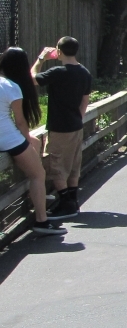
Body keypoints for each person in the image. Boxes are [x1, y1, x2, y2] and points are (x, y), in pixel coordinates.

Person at [0, 48, 65, 235]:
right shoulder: (12, 87)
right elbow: (20, 121)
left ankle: (36, 199)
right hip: (7, 138)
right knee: (38, 174)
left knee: (35, 143)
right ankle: (41, 221)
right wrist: (25, 138)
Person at [32, 36, 92, 221]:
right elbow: (85, 100)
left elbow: (33, 78)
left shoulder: (58, 72)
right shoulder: (84, 73)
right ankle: (72, 201)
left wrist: (41, 59)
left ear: (58, 50)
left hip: (59, 127)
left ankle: (66, 204)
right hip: (75, 125)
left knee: (56, 165)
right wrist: (77, 118)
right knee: (74, 165)